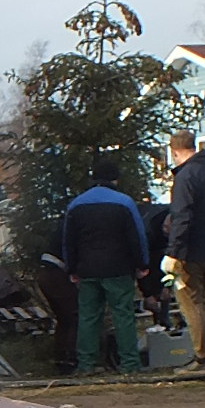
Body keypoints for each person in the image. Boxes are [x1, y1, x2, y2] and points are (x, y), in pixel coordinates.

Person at [61, 158, 149, 375]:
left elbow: (68, 240)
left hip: (87, 269)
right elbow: (137, 237)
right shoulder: (125, 203)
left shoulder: (76, 204)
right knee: (123, 316)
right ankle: (129, 364)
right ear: (115, 179)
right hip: (118, 269)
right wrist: (142, 264)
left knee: (88, 317)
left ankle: (86, 364)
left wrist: (72, 268)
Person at [164, 129, 205, 371]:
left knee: (190, 302)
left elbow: (182, 217)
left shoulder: (186, 176)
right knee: (202, 300)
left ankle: (202, 356)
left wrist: (173, 252)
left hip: (189, 250)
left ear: (175, 152)